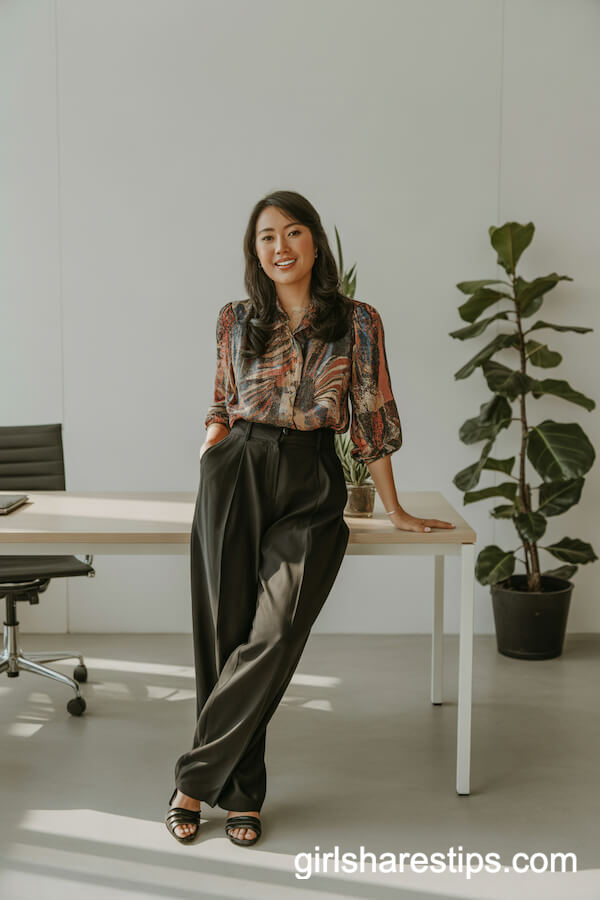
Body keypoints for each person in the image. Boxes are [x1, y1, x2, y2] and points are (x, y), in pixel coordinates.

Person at [164, 190, 455, 847]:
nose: (280, 247)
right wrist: (212, 441)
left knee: (274, 634)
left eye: (293, 233)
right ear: (255, 251)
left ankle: (192, 781)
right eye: (266, 237)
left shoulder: (357, 320)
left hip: (312, 474)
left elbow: (372, 412)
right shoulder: (235, 317)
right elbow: (221, 394)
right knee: (225, 633)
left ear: (315, 243)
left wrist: (396, 506)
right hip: (236, 470)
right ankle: (242, 796)